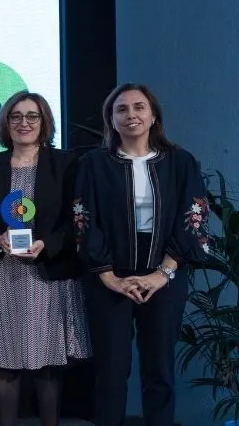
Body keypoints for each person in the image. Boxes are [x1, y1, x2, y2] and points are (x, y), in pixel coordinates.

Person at [75, 83, 210, 426]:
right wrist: (109, 276)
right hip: (109, 280)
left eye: (139, 107)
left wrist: (161, 273)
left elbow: (193, 217)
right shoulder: (93, 164)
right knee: (110, 372)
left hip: (164, 278)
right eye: (121, 109)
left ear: (153, 116)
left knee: (159, 370)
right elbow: (83, 219)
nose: (131, 115)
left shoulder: (181, 162)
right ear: (111, 118)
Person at [0, 91, 90, 426]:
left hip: (46, 275)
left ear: (44, 121)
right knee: (4, 363)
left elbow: (75, 219)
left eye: (32, 116)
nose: (24, 123)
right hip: (2, 277)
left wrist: (46, 244)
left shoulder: (66, 164)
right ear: (6, 122)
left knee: (47, 366)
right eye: (16, 116)